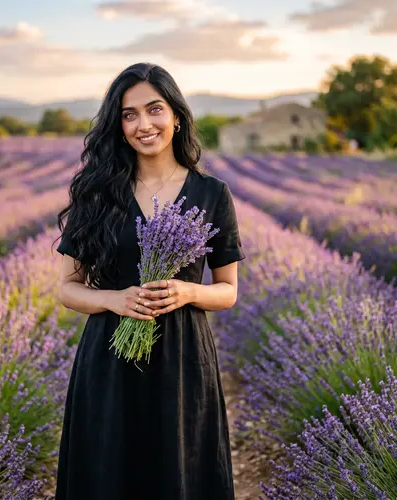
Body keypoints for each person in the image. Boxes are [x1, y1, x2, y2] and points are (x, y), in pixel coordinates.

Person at [53, 62, 245, 500]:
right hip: (108, 357)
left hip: (183, 359)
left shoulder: (212, 194)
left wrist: (188, 291)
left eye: (154, 109)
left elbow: (228, 291)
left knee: (178, 471)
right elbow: (67, 288)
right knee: (108, 473)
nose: (144, 124)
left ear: (176, 116)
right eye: (129, 114)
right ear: (118, 126)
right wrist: (115, 300)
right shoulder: (97, 191)